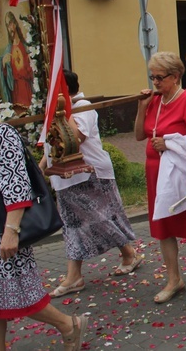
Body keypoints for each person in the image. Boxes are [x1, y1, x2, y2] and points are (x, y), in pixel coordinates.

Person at [0, 81, 87, 351]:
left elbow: (16, 187)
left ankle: (68, 324)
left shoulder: (0, 135)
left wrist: (11, 231)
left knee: (20, 296)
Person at [42, 71, 140, 298]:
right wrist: (40, 168)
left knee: (102, 219)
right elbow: (50, 144)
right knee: (73, 225)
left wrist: (62, 111)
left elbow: (76, 139)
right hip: (65, 177)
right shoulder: (55, 111)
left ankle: (128, 254)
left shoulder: (82, 106)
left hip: (90, 173)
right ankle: (75, 276)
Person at [134, 52, 186, 304]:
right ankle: (173, 279)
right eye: (152, 77)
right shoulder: (155, 101)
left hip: (177, 171)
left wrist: (171, 146)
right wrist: (141, 107)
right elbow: (139, 134)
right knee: (163, 226)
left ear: (176, 77)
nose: (155, 82)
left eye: (160, 77)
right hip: (154, 170)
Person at [0, 11, 33, 107]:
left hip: (26, 87)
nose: (10, 28)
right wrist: (4, 65)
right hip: (16, 90)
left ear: (15, 24)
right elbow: (5, 74)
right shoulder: (8, 50)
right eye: (7, 25)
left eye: (10, 23)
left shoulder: (25, 46)